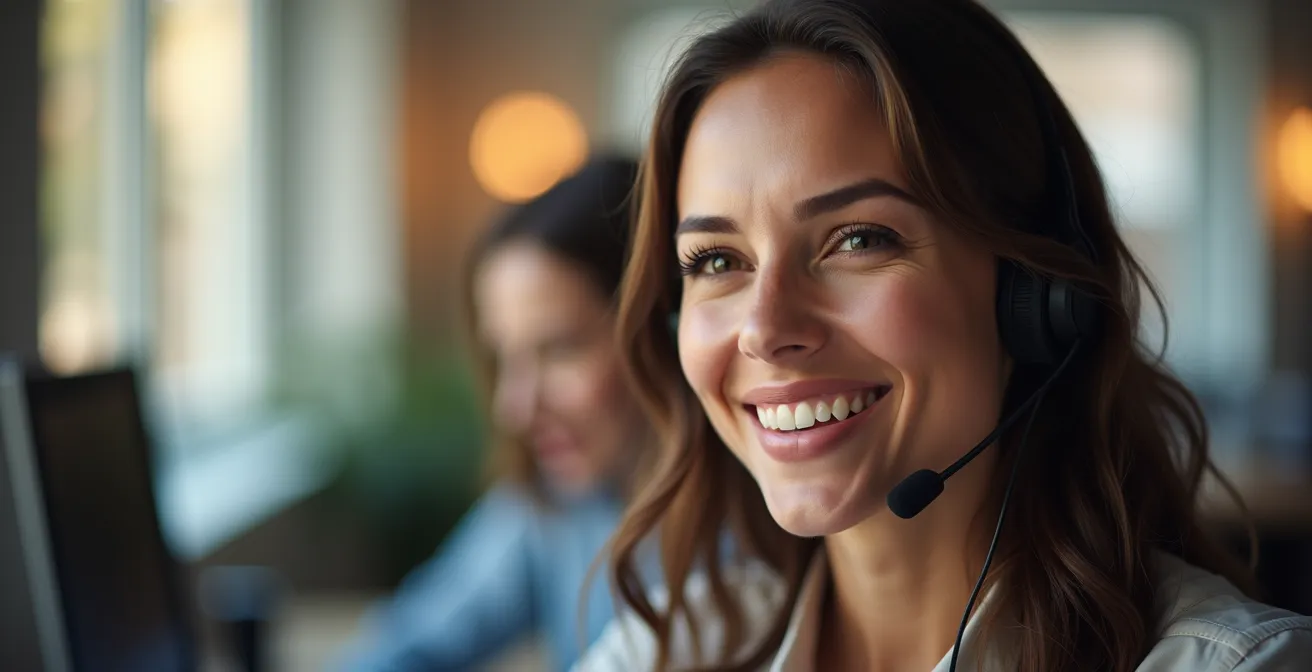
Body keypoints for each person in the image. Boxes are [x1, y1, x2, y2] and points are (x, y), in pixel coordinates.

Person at [571, 2, 1312, 671]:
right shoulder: (666, 651)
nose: (765, 330)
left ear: (1034, 295)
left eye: (857, 240)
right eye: (718, 261)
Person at [338, 155, 655, 672]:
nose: (516, 409)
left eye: (559, 350)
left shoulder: (766, 537)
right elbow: (412, 641)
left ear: (660, 325)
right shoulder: (553, 505)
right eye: (504, 358)